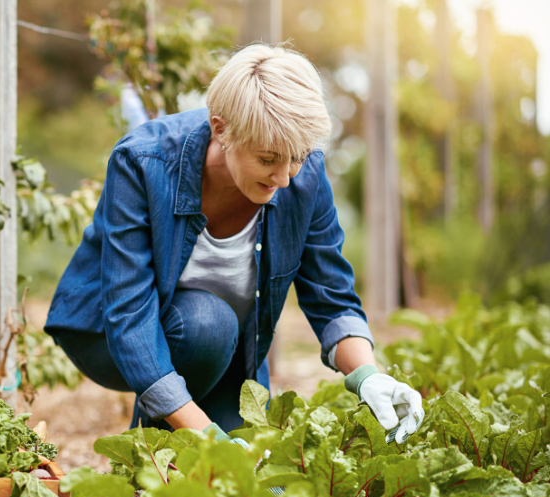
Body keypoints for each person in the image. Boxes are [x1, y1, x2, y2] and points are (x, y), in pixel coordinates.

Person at [43, 44, 423, 445]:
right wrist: (205, 437)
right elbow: (129, 312)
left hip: (223, 349)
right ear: (221, 129)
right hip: (107, 332)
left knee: (263, 486)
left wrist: (369, 378)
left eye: (297, 157)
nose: (284, 178)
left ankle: (176, 456)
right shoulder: (143, 162)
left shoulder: (305, 176)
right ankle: (151, 470)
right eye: (268, 159)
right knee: (208, 324)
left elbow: (332, 298)